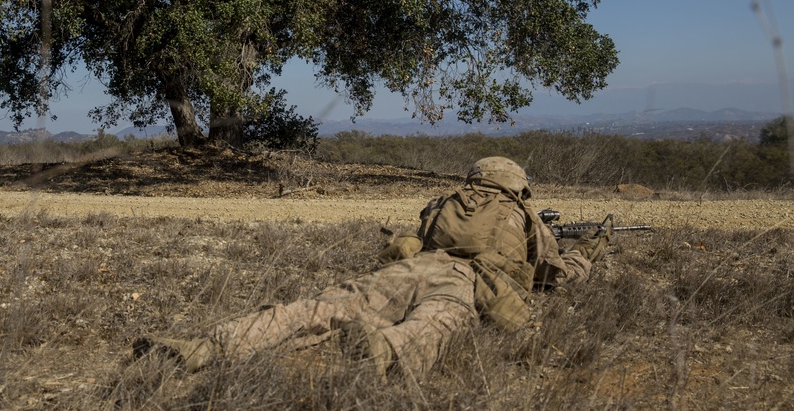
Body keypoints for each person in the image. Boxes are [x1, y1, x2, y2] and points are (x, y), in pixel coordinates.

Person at [133, 157, 609, 376]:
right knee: (440, 319)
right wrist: (588, 251)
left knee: (318, 306)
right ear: (518, 187)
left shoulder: (445, 201)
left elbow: (411, 242)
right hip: (467, 280)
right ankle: (386, 349)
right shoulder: (522, 214)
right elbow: (554, 275)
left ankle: (203, 347)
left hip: (411, 269)